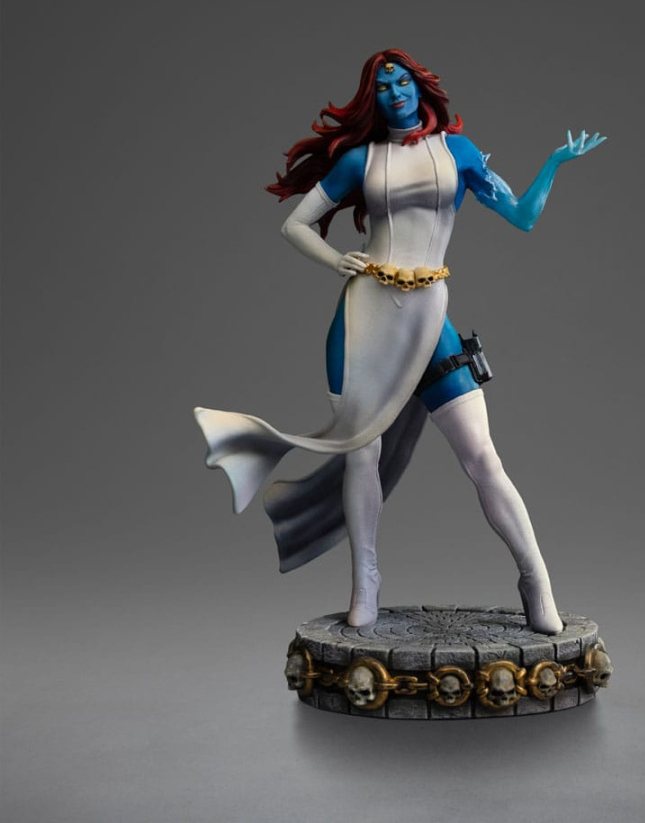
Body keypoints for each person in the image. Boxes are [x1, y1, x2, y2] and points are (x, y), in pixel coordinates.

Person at [194, 49, 604, 634]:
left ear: (420, 85)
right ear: (374, 99)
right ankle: (366, 580)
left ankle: (535, 578)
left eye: (402, 80)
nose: (395, 92)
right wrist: (337, 260)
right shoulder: (361, 160)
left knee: (481, 455)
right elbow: (293, 224)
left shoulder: (458, 152)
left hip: (429, 317)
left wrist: (554, 163)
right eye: (383, 86)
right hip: (364, 317)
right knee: (362, 454)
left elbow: (523, 216)